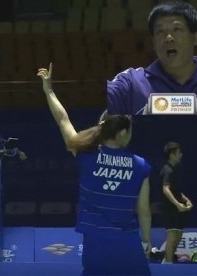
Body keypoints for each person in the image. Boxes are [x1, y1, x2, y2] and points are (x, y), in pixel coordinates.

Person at [38, 63, 152, 275]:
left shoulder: (86, 156)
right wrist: (146, 242)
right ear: (121, 133)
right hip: (128, 245)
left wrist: (49, 90)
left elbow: (63, 119)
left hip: (96, 244)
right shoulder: (140, 165)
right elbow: (144, 211)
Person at [107, 0, 197, 115]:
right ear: (154, 42)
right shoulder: (131, 84)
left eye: (177, 29)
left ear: (195, 37)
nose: (168, 38)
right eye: (160, 32)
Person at [160, 142, 193, 264]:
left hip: (178, 209)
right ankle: (168, 264)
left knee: (178, 235)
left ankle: (166, 260)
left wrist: (186, 200)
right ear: (172, 154)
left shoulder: (176, 169)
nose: (181, 155)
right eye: (179, 153)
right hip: (170, 208)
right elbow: (166, 188)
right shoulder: (167, 169)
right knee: (172, 237)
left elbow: (177, 191)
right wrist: (177, 204)